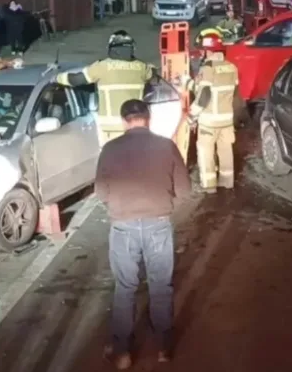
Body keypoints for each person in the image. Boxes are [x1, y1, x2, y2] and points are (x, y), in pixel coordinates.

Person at [97, 99, 191, 369]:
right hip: (158, 223)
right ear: (148, 118)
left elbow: (102, 192)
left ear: (123, 120)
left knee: (125, 288)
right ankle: (163, 348)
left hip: (123, 225)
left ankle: (123, 353)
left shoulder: (110, 149)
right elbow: (184, 189)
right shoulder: (166, 146)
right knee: (161, 286)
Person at [55, 30, 155, 145]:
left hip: (111, 131)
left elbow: (77, 79)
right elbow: (152, 74)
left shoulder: (102, 67)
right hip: (136, 128)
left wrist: (57, 77)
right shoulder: (141, 67)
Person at [187, 32, 239, 193]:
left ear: (208, 51)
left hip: (209, 122)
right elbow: (233, 91)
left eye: (203, 50)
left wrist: (192, 115)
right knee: (225, 151)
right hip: (227, 120)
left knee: (206, 152)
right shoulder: (232, 67)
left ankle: (209, 187)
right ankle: (227, 182)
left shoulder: (208, 68)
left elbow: (204, 95)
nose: (202, 53)